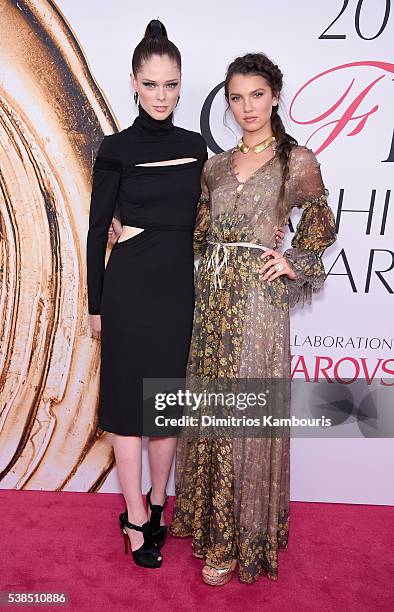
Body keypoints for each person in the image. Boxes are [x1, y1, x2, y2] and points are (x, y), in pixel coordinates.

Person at [170, 52, 337, 585]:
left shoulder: (296, 160)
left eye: (257, 95)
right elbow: (194, 230)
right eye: (236, 97)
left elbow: (319, 220)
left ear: (275, 96)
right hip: (213, 301)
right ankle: (211, 530)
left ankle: (242, 539)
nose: (247, 107)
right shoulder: (215, 166)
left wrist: (296, 260)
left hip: (260, 305)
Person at [86, 20, 208, 568]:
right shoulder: (114, 149)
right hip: (129, 288)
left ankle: (161, 504)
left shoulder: (196, 147)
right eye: (151, 84)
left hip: (178, 289)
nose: (161, 95)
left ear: (181, 86)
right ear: (133, 83)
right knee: (127, 407)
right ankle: (134, 517)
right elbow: (95, 230)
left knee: (166, 406)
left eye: (171, 84)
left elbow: (211, 214)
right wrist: (94, 303)